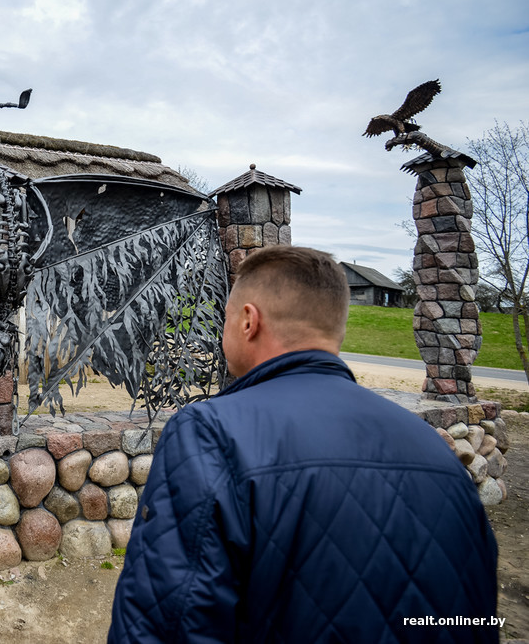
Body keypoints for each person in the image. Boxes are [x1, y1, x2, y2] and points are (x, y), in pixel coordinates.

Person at [108, 246, 498, 643]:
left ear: (247, 322)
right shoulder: (437, 454)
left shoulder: (211, 435)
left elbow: (167, 622)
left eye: (224, 319)